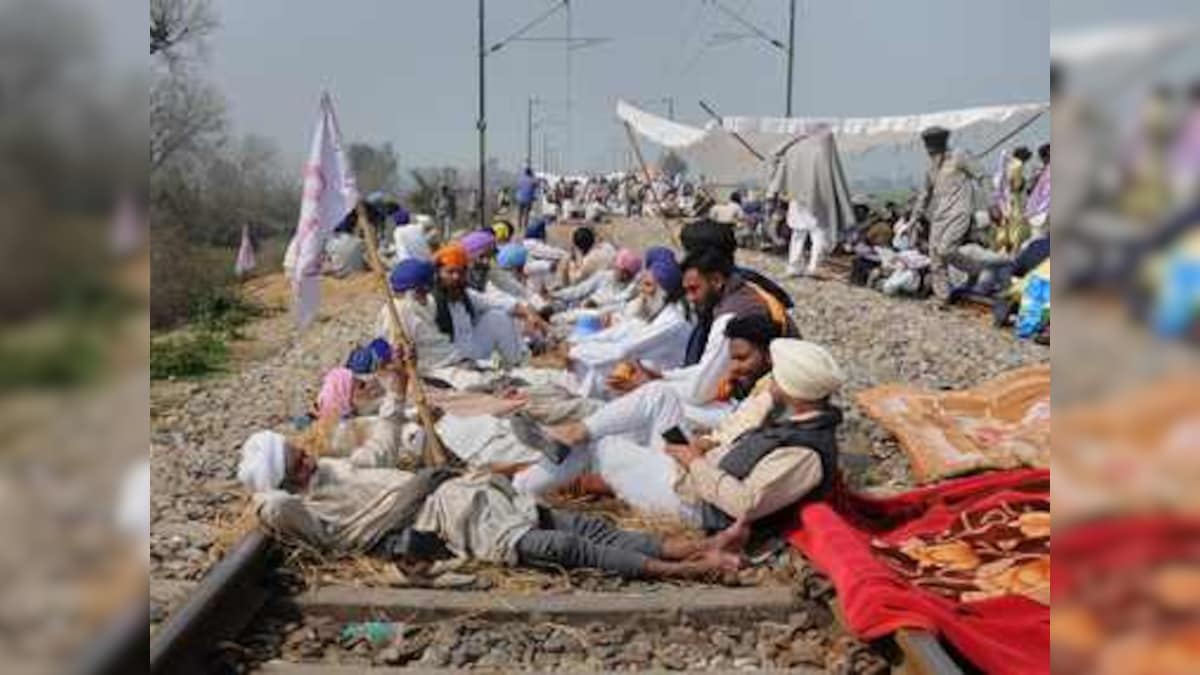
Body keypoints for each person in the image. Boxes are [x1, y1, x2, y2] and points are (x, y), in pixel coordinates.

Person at [238, 431, 745, 580]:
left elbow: (379, 449)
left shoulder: (336, 468)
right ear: (286, 478)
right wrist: (268, 483)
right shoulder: (317, 514)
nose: (306, 454)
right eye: (294, 459)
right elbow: (276, 508)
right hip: (448, 523)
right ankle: (685, 572)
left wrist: (394, 393)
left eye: (298, 449)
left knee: (587, 527)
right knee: (567, 547)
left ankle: (701, 547)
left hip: (473, 494)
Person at [512, 315, 785, 515]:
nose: (734, 368)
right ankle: (573, 433)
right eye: (732, 359)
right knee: (658, 395)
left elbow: (732, 444)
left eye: (742, 358)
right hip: (689, 467)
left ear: (770, 356)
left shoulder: (772, 399)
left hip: (690, 491)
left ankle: (521, 489)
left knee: (599, 443)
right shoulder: (768, 388)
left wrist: (700, 448)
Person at [567, 252, 693, 398]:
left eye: (648, 285)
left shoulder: (672, 322)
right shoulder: (653, 314)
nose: (642, 291)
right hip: (636, 371)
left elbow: (623, 350)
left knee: (599, 371)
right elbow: (619, 335)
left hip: (652, 384)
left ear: (663, 293)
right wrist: (576, 345)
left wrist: (573, 352)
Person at [912, 126, 1005, 305]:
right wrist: (913, 220)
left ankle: (977, 269)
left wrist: (992, 203)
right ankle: (942, 296)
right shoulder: (931, 169)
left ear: (942, 143)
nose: (930, 150)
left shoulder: (960, 156)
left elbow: (982, 176)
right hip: (939, 216)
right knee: (935, 257)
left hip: (960, 213)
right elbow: (924, 196)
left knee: (946, 249)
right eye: (928, 146)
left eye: (934, 145)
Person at [552, 248, 643, 313]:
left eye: (627, 273)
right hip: (580, 309)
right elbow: (579, 290)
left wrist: (598, 304)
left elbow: (621, 304)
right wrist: (556, 294)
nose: (623, 275)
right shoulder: (604, 276)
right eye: (620, 270)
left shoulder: (632, 288)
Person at [515, 168, 538, 234]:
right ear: (530, 173)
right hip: (528, 199)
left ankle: (519, 226)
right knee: (526, 213)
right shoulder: (532, 180)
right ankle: (525, 226)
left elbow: (518, 186)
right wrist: (533, 176)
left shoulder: (520, 179)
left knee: (520, 213)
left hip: (520, 198)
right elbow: (536, 185)